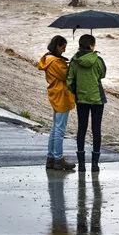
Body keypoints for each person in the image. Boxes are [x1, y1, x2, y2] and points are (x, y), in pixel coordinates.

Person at [67, 34, 106, 173]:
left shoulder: (74, 61)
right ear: (91, 46)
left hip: (82, 99)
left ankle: (82, 164)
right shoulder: (98, 60)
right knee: (96, 130)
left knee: (81, 129)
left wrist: (77, 92)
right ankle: (95, 164)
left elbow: (69, 80)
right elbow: (102, 74)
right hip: (97, 99)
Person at [38, 35, 76, 171]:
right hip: (62, 96)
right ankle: (58, 159)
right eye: (63, 47)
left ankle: (51, 158)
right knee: (59, 129)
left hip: (55, 94)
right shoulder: (55, 62)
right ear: (57, 46)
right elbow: (67, 76)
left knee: (55, 128)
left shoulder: (48, 59)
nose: (64, 51)